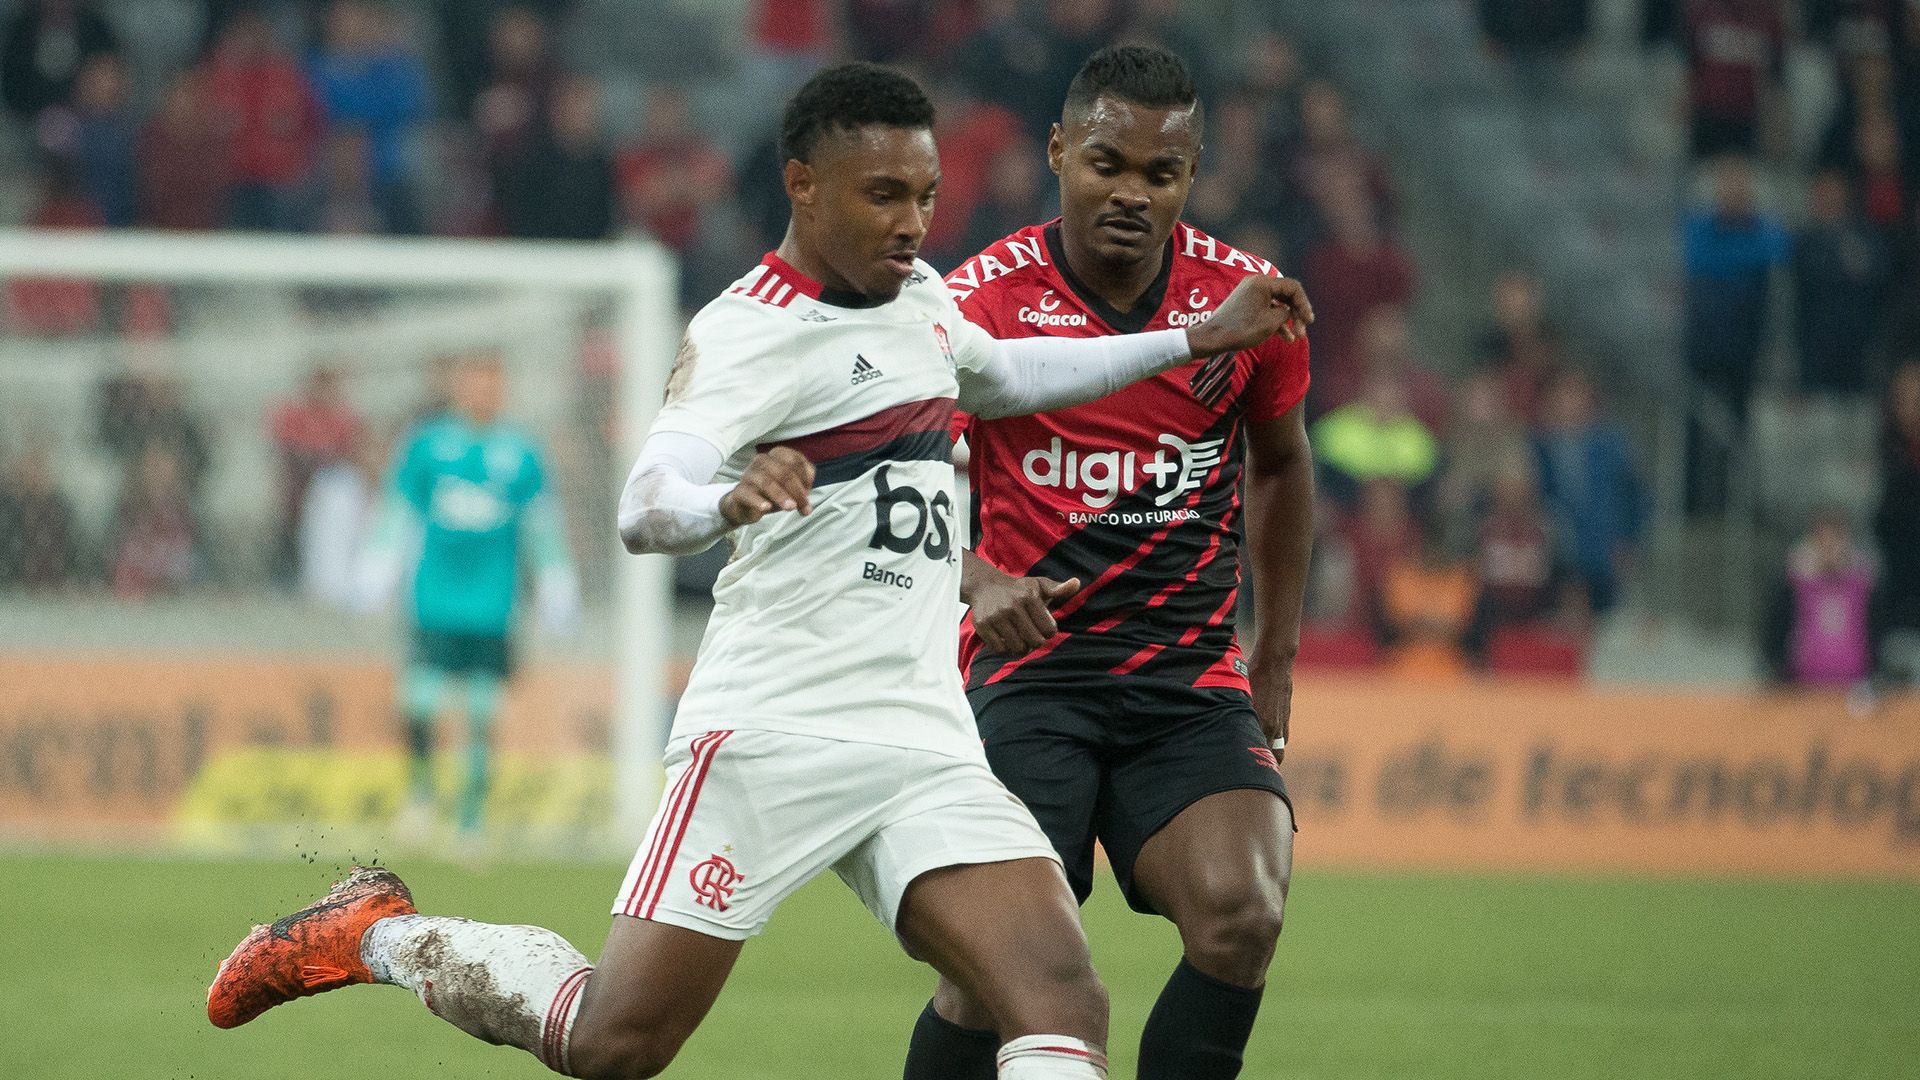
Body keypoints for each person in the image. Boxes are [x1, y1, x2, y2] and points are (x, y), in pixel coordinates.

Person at [207, 63, 1309, 1080]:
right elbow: (648, 500)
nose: (913, 221)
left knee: (1059, 997)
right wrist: (721, 501)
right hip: (772, 730)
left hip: (922, 736)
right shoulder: (748, 334)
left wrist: (1191, 339)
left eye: (924, 194)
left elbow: (1013, 374)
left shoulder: (926, 299)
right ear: (804, 186)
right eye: (883, 195)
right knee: (615, 1043)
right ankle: (380, 935)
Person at [910, 46, 1312, 1080]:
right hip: (1026, 675)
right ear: (1056, 153)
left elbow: (1282, 467)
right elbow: (891, 475)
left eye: (1160, 173)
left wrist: (1272, 654)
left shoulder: (1248, 304)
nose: (1132, 192)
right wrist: (974, 577)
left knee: (1242, 914)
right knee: (995, 970)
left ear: (1192, 175)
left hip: (1184, 678)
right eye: (1106, 163)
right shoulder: (980, 305)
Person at [354, 351, 577, 838]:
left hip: (493, 606)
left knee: (481, 710)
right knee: (419, 703)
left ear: (502, 387)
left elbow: (543, 524)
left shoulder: (521, 452)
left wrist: (556, 578)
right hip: (433, 599)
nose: (482, 391)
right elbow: (397, 508)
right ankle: (420, 797)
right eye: (473, 381)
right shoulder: (428, 446)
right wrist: (379, 562)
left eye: (491, 381)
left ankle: (470, 821)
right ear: (458, 386)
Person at [1761, 507, 1876, 688]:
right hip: (1804, 684)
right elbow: (1775, 630)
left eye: (1835, 540)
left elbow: (1874, 628)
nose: (1829, 547)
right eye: (1822, 540)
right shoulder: (1791, 583)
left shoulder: (1864, 582)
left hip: (1854, 683)